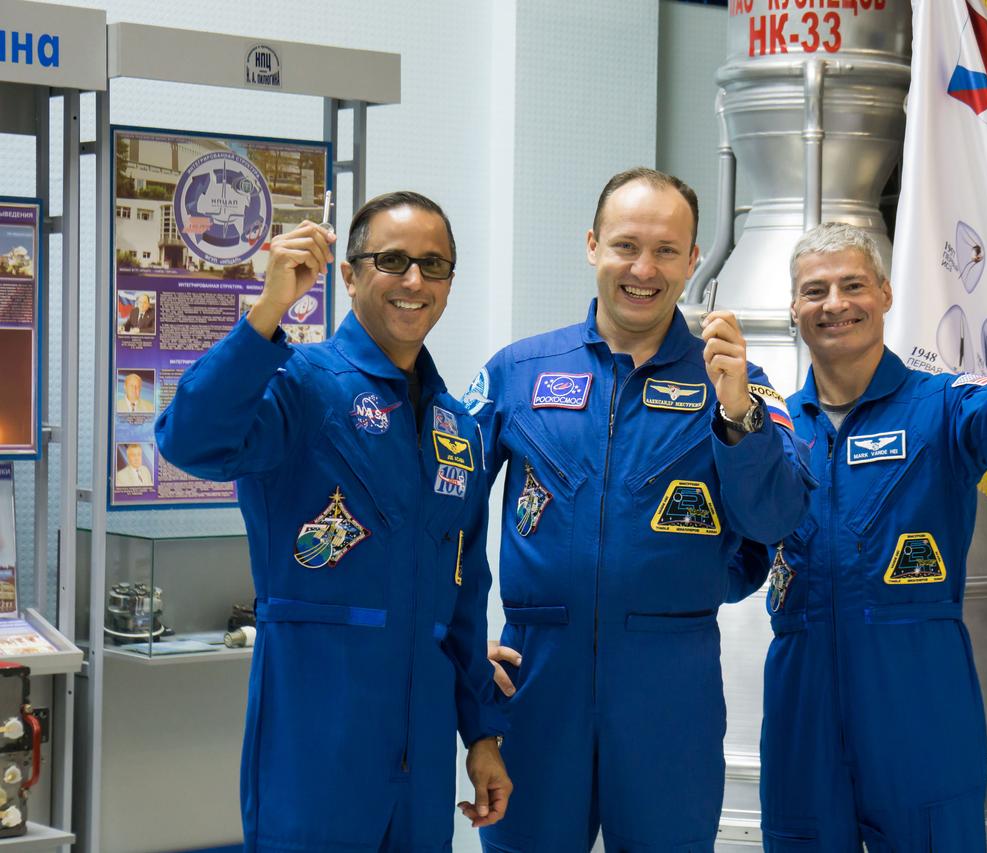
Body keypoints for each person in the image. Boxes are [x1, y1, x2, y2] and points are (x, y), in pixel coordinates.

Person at [469, 167, 814, 852]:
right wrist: (460, 636)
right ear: (593, 244)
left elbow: (776, 519)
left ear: (693, 261)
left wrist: (737, 412)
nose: (643, 269)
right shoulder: (519, 371)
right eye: (626, 245)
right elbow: (436, 511)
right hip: (536, 671)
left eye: (665, 250)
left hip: (669, 679)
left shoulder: (737, 381)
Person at [155, 191, 511, 853]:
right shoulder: (298, 384)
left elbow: (463, 603)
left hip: (424, 763)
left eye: (434, 265)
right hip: (314, 749)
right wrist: (267, 312)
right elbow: (188, 439)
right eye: (393, 260)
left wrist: (482, 735)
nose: (414, 281)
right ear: (348, 275)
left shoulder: (456, 429)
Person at [747, 222, 987, 851]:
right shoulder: (776, 433)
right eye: (815, 291)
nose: (835, 304)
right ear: (794, 308)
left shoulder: (943, 407)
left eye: (853, 285)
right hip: (801, 700)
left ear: (887, 295)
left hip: (919, 698)